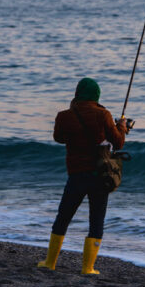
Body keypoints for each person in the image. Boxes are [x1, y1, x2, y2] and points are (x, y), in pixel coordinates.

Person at [36, 77, 130, 275]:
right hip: (99, 174)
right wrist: (121, 126)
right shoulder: (103, 114)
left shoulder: (64, 116)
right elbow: (119, 143)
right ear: (96, 95)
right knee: (96, 220)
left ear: (77, 93)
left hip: (76, 175)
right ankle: (88, 268)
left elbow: (59, 138)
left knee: (63, 217)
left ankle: (50, 262)